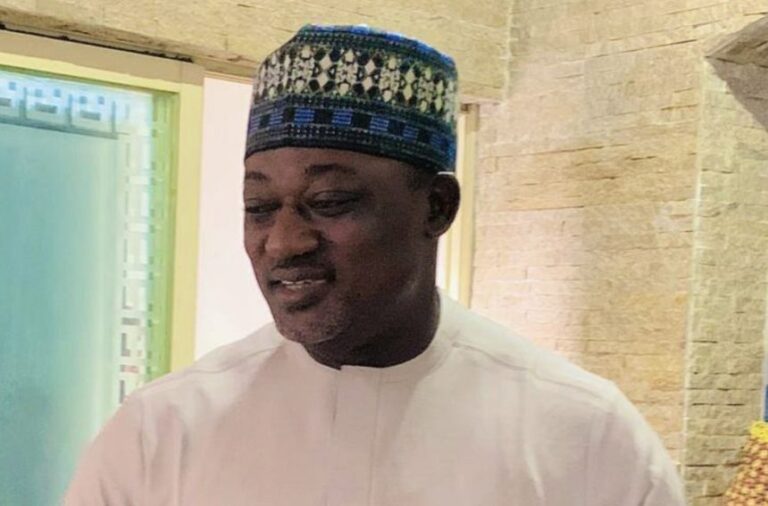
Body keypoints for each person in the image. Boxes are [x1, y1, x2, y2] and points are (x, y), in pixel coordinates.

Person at [64, 25, 686, 505]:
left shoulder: (584, 434)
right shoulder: (161, 432)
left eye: (330, 201)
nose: (283, 242)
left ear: (436, 207)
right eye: (260, 207)